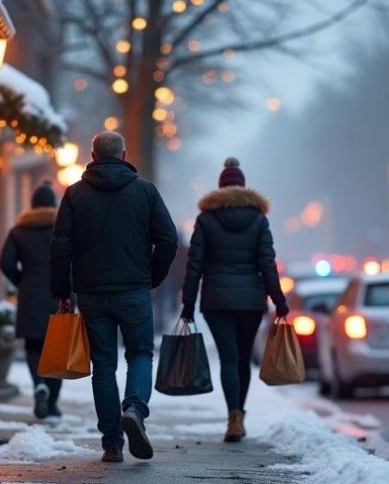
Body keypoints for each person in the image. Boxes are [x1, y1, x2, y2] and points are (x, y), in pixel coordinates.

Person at [49, 131, 178, 463]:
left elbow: (60, 246)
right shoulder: (145, 191)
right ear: (123, 155)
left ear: (92, 156)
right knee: (139, 355)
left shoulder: (75, 194)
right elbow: (168, 239)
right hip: (134, 288)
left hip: (91, 293)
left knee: (103, 365)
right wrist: (153, 276)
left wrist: (62, 290)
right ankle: (134, 407)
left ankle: (111, 443)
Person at [180, 157, 289, 443]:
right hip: (251, 300)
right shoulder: (258, 219)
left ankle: (233, 417)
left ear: (220, 187)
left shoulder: (205, 220)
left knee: (228, 357)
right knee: (242, 359)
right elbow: (268, 263)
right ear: (242, 186)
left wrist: (188, 304)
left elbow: (195, 265)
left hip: (216, 300)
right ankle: (240, 412)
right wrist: (279, 300)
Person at [0, 180, 63, 420]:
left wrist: (21, 282)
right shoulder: (63, 228)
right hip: (60, 296)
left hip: (30, 295)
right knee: (57, 350)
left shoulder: (19, 231)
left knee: (33, 345)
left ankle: (38, 384)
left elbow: (5, 263)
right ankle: (54, 403)